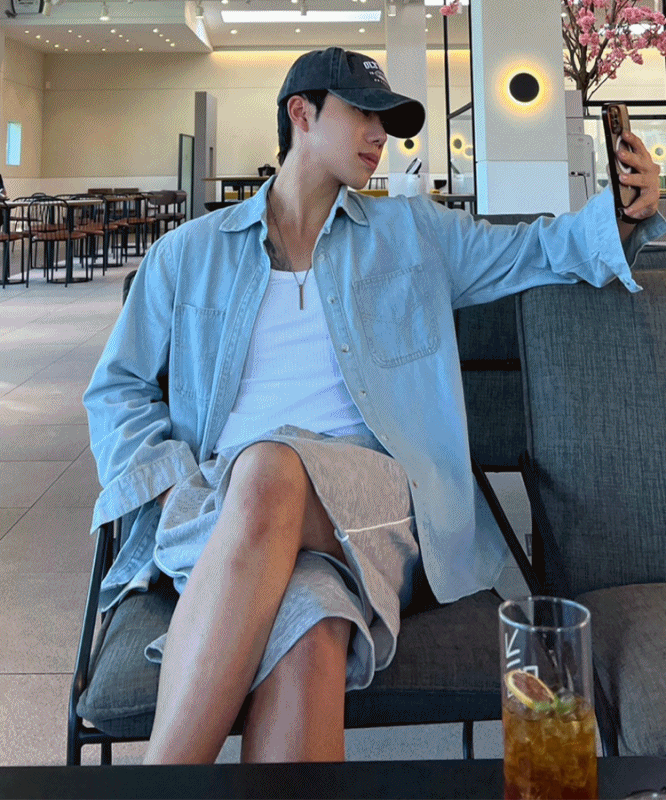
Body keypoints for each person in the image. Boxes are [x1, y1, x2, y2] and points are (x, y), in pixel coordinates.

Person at [83, 47, 665, 765]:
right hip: (223, 514)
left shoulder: (414, 234)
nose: (380, 133)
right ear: (301, 114)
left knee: (269, 468)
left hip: (379, 510)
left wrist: (624, 216)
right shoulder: (187, 255)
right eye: (363, 113)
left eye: (386, 121)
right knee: (312, 623)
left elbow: (537, 250)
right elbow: (118, 389)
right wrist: (172, 482)